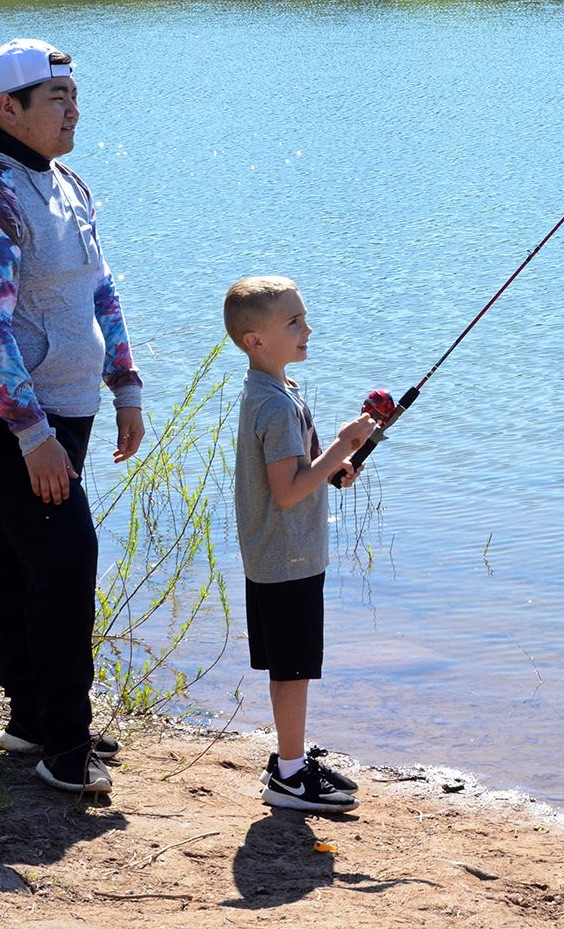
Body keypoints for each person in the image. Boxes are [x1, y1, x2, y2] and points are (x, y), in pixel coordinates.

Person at [0, 38, 144, 795]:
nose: (73, 109)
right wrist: (32, 435)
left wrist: (125, 385)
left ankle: (32, 720)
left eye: (73, 95)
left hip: (66, 405)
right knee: (65, 559)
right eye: (56, 99)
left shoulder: (63, 182)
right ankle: (63, 745)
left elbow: (100, 290)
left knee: (18, 556)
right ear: (6, 109)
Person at [224, 275, 379, 812]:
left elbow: (303, 473)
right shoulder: (273, 405)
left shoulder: (275, 391)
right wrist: (340, 444)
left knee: (291, 665)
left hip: (279, 556)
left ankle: (290, 759)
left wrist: (341, 464)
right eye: (293, 322)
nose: (306, 328)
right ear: (255, 340)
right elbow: (288, 493)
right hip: (286, 558)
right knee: (293, 669)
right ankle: (289, 775)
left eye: (304, 318)